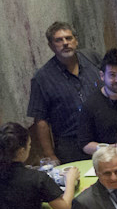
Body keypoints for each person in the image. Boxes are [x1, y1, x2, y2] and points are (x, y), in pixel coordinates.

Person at [28, 22, 104, 163]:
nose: (65, 43)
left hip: (103, 135)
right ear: (51, 45)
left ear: (76, 40)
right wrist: (50, 154)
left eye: (68, 38)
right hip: (71, 145)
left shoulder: (92, 58)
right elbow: (41, 121)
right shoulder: (42, 78)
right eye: (59, 40)